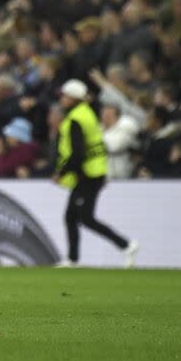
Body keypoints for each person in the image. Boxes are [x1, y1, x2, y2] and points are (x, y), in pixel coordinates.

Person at [54, 79, 138, 268]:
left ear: (72, 98)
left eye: (65, 96)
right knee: (71, 216)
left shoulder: (76, 119)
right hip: (94, 171)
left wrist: (62, 172)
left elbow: (78, 153)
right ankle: (73, 259)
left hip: (87, 174)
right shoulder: (87, 113)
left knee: (85, 218)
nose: (62, 99)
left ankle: (126, 245)